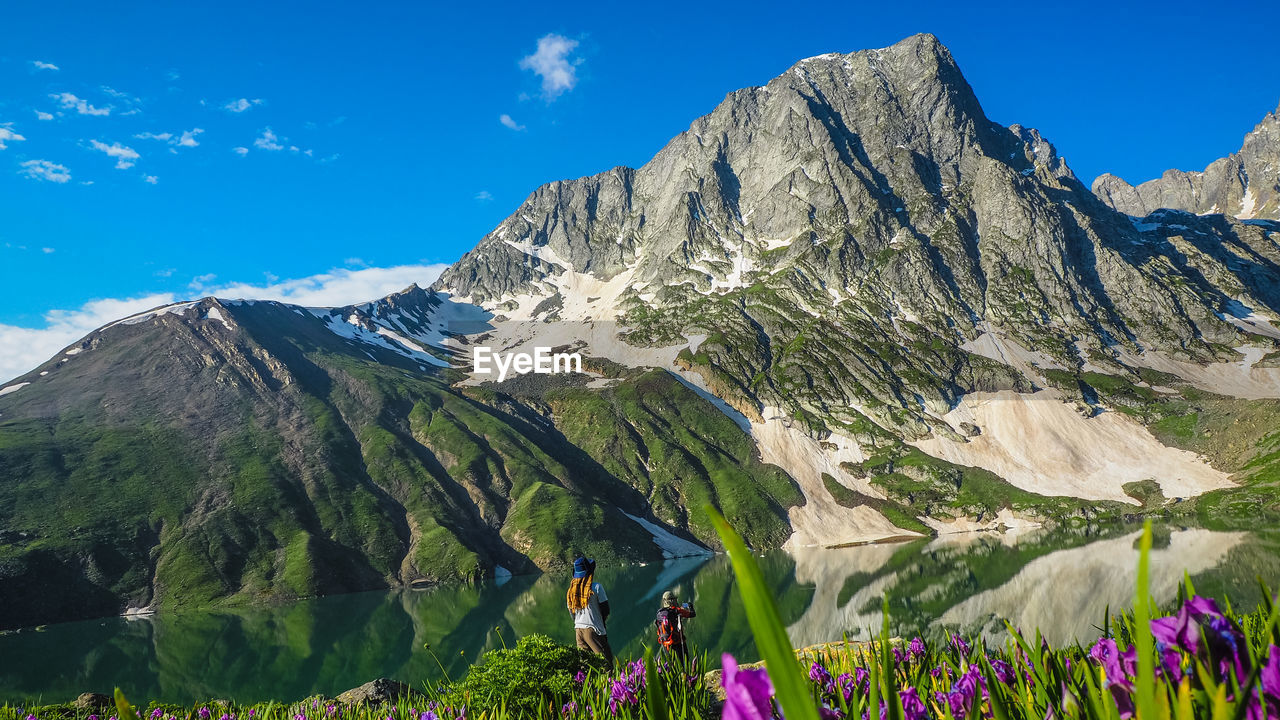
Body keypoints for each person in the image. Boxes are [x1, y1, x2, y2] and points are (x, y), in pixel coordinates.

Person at [566, 556, 613, 668]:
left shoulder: (571, 591)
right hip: (593, 629)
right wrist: (601, 621)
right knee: (606, 663)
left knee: (585, 665)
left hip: (578, 630)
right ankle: (609, 684)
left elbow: (572, 613)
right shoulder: (596, 587)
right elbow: (606, 609)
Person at [654, 589, 696, 665]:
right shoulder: (677, 611)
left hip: (665, 643)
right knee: (684, 662)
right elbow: (692, 614)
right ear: (672, 600)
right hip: (678, 642)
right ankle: (685, 675)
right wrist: (689, 606)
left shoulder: (660, 613)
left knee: (671, 664)